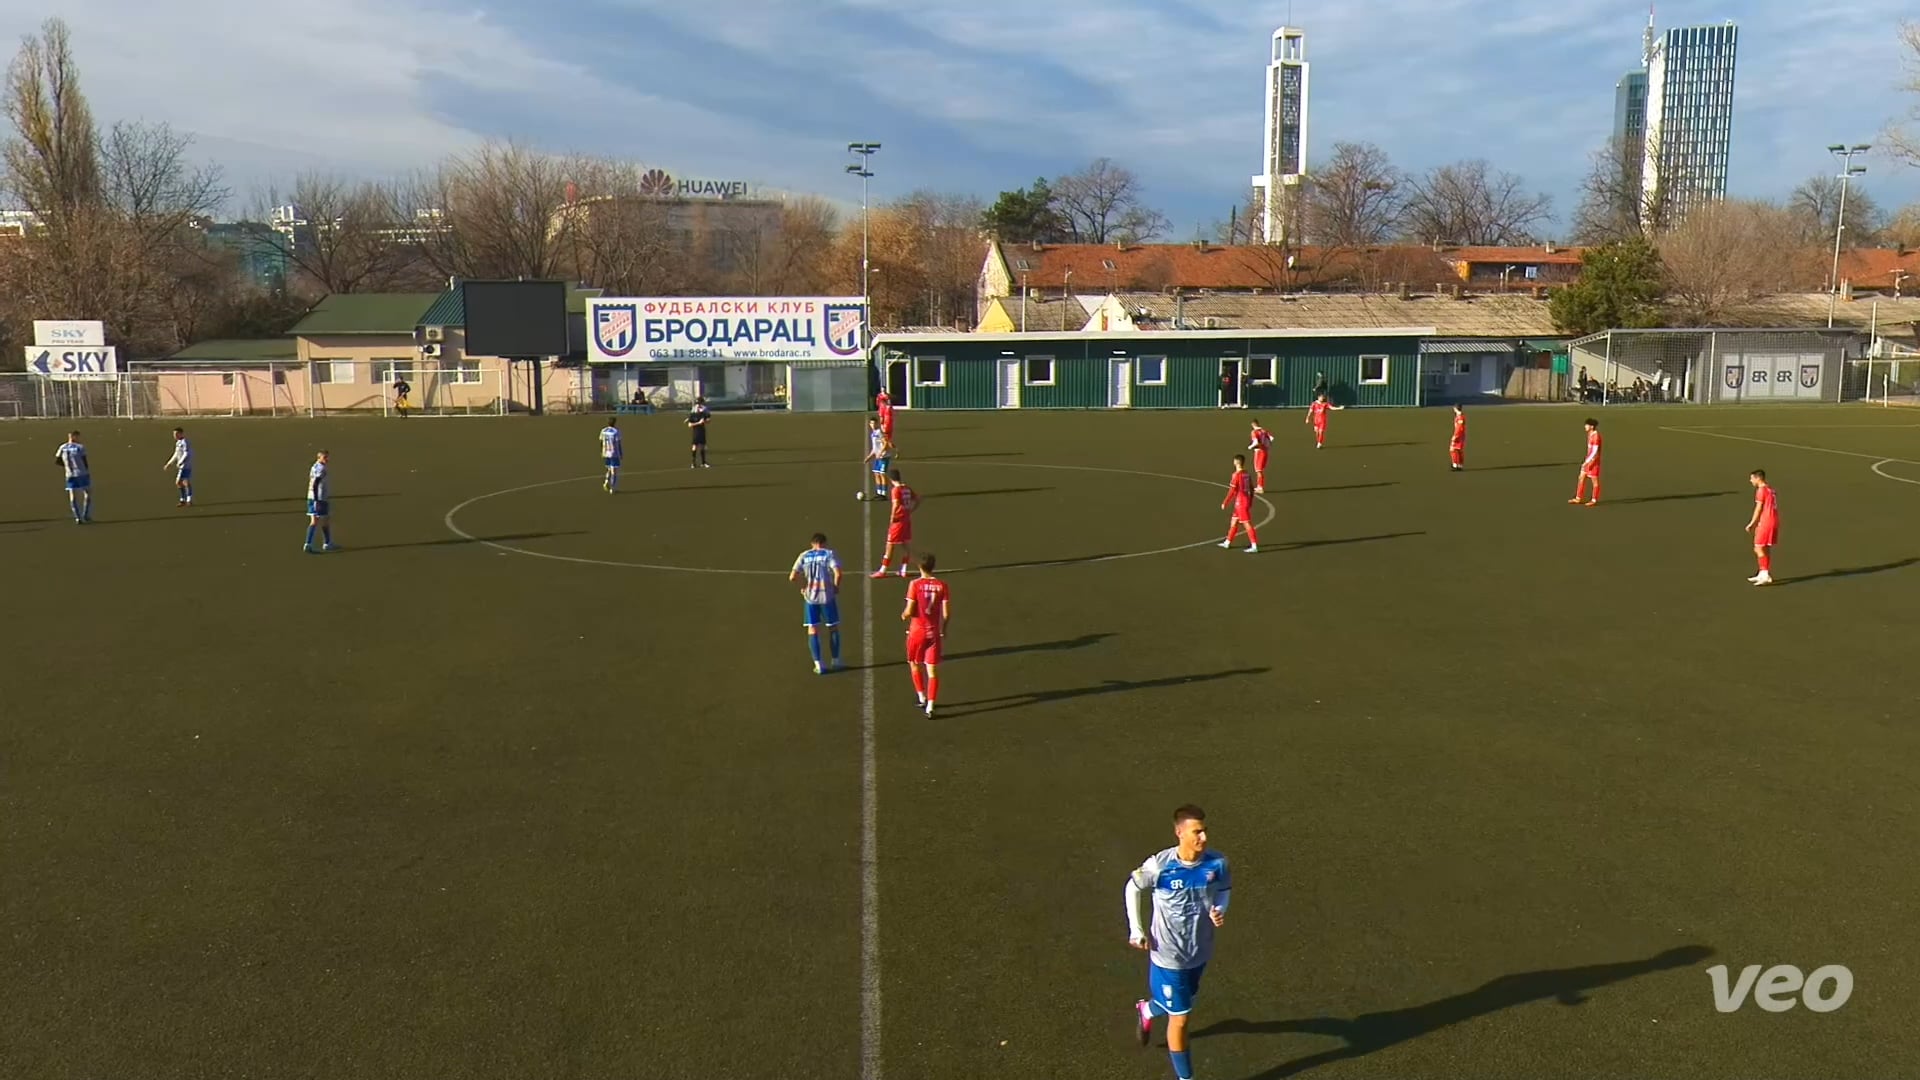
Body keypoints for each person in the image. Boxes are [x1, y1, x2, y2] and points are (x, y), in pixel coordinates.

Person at [1126, 804, 1230, 1080]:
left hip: (1200, 950)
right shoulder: (1160, 865)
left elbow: (1223, 891)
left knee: (1181, 1003)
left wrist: (1220, 910)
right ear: (1179, 833)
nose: (1204, 838)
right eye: (1197, 832)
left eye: (1205, 831)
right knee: (1181, 1018)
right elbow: (1132, 887)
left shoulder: (1217, 863)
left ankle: (1147, 1009)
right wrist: (1136, 930)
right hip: (1168, 954)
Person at [901, 553, 949, 717]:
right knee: (932, 671)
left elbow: (909, 610)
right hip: (933, 633)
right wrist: (944, 629)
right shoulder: (942, 585)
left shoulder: (914, 584)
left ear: (919, 567)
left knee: (914, 662)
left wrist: (904, 615)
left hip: (917, 632)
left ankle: (921, 696)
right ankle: (930, 705)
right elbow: (946, 614)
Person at [789, 533, 844, 674]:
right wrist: (836, 587)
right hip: (827, 596)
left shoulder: (804, 555)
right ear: (824, 543)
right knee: (833, 627)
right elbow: (837, 572)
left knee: (812, 629)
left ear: (812, 543)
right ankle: (836, 661)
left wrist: (803, 587)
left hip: (811, 597)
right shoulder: (828, 554)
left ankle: (819, 665)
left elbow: (793, 576)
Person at [873, 469, 918, 578]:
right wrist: (911, 510)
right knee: (905, 545)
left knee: (890, 545)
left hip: (898, 521)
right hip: (907, 520)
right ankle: (904, 570)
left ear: (890, 479)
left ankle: (883, 571)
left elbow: (896, 504)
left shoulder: (895, 490)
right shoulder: (906, 488)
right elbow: (918, 499)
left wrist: (892, 517)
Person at [1218, 454, 1259, 554]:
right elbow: (1252, 488)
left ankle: (1254, 545)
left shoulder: (1236, 475)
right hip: (1243, 501)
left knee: (1246, 523)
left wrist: (1225, 502)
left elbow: (1232, 491)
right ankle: (1227, 542)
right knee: (1234, 522)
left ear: (1236, 462)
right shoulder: (1247, 474)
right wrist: (1250, 501)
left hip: (1240, 502)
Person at [1745, 469, 1779, 586]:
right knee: (1765, 547)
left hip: (1766, 521)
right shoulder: (1771, 490)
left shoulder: (1761, 490)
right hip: (1774, 520)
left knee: (1758, 548)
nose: (1750, 481)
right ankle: (1763, 572)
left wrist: (1752, 523)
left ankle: (1764, 574)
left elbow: (1758, 508)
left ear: (1758, 478)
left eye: (1752, 478)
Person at [54, 430, 92, 524]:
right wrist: (86, 471)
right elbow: (84, 460)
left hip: (70, 474)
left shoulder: (62, 447)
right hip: (81, 473)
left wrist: (66, 466)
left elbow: (57, 461)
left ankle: (77, 517)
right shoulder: (80, 447)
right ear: (75, 436)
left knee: (72, 496)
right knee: (87, 493)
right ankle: (85, 515)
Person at [303, 450, 335, 553]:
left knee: (315, 520)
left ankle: (309, 543)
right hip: (320, 498)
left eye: (327, 457)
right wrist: (317, 500)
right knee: (324, 520)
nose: (327, 459)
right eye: (325, 457)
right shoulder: (322, 469)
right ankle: (326, 543)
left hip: (310, 496)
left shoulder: (314, 466)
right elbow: (316, 483)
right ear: (319, 457)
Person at [1570, 418, 1602, 506]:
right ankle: (1578, 498)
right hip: (1588, 460)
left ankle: (1594, 500)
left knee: (1594, 481)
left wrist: (1587, 462)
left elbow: (1595, 452)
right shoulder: (1590, 434)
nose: (1585, 426)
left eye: (1586, 425)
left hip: (1593, 462)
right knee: (1581, 477)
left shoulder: (1596, 437)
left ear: (1591, 426)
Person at [164, 427, 194, 506]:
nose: (175, 435)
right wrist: (169, 463)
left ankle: (187, 500)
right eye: (174, 434)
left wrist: (180, 462)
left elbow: (186, 454)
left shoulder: (185, 442)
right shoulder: (178, 443)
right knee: (180, 483)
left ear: (181, 434)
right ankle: (184, 499)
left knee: (184, 482)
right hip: (181, 465)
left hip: (186, 465)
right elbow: (176, 454)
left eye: (176, 434)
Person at [864, 418, 892, 500]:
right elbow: (874, 448)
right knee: (876, 474)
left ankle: (883, 494)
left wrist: (881, 452)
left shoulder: (879, 432)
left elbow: (885, 443)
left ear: (877, 424)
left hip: (884, 457)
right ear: (869, 424)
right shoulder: (873, 434)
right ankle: (878, 492)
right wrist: (869, 456)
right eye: (871, 423)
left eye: (874, 423)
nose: (873, 425)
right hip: (877, 457)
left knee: (882, 474)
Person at [1247, 419, 1273, 494]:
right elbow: (1271, 438)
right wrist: (1267, 445)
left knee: (1258, 470)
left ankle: (1260, 487)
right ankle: (1259, 486)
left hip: (1259, 452)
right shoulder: (1264, 431)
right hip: (1265, 452)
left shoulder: (1254, 432)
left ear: (1253, 425)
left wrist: (1250, 447)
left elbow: (1255, 442)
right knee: (1260, 470)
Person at [599, 418, 623, 493]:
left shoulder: (603, 430)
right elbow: (618, 443)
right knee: (614, 471)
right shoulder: (616, 431)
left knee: (609, 469)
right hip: (613, 453)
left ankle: (606, 482)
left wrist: (601, 451)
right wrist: (621, 453)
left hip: (605, 452)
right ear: (614, 423)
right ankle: (612, 488)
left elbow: (601, 441)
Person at [687, 397, 711, 468]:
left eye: (699, 404)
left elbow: (708, 420)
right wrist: (698, 423)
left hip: (702, 431)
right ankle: (693, 463)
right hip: (696, 431)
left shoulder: (703, 412)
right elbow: (690, 424)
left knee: (702, 446)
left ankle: (703, 462)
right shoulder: (693, 413)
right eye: (697, 404)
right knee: (694, 446)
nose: (698, 406)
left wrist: (705, 421)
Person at [1449, 404, 1467, 471]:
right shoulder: (1460, 416)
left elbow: (1459, 428)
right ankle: (1459, 465)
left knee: (1453, 449)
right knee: (1459, 450)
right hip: (1461, 436)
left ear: (1455, 408)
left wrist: (1455, 436)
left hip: (1459, 436)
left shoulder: (1460, 417)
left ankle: (1455, 464)